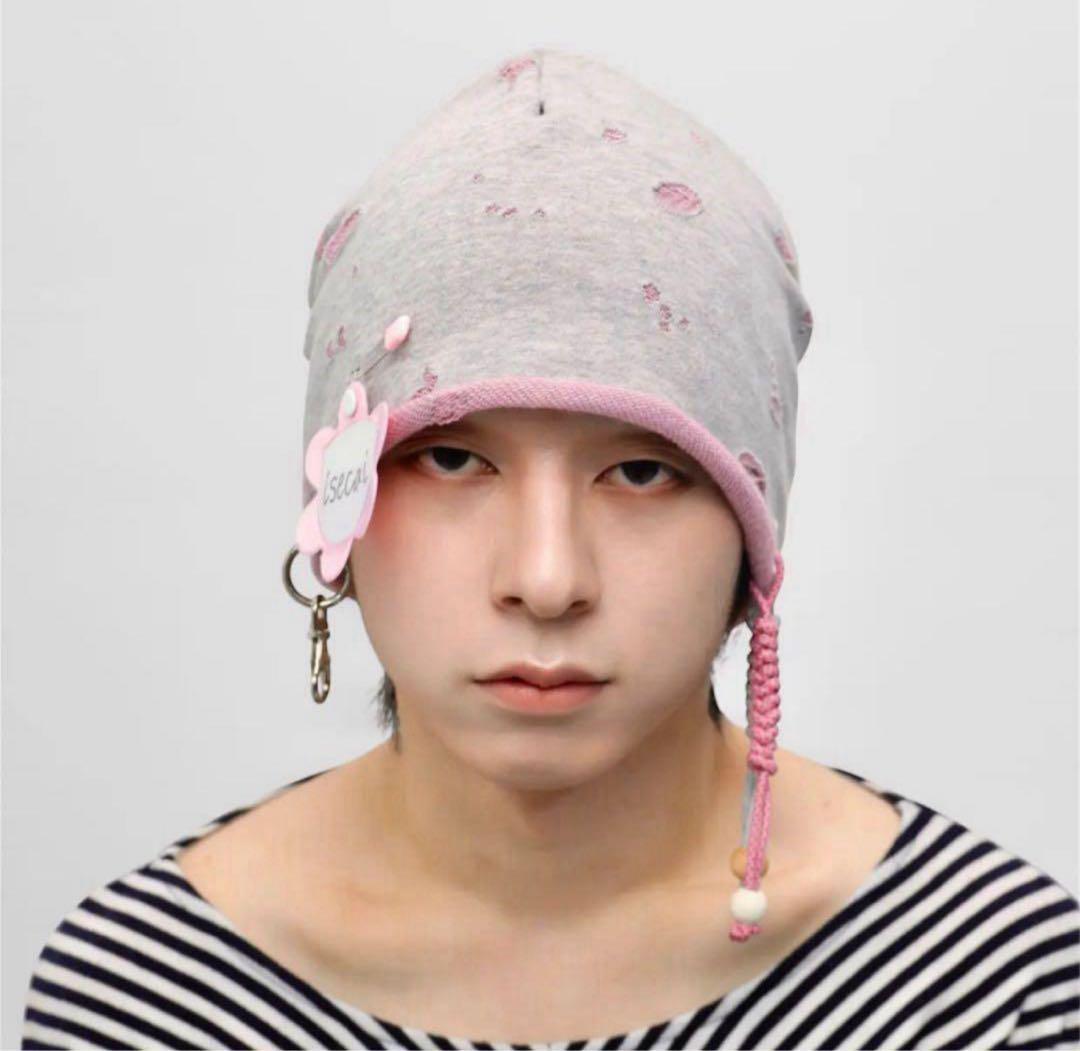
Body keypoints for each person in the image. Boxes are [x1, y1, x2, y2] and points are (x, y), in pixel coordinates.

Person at [20, 47, 1078, 1050]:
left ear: (755, 523)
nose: (546, 579)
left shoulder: (990, 982)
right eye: (451, 459)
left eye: (643, 471)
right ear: (339, 503)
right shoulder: (144, 994)